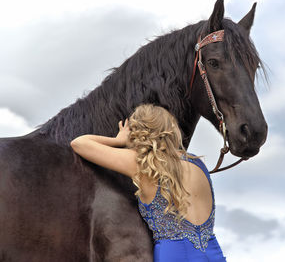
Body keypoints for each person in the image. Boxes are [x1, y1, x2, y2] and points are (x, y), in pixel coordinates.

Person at [70, 104, 227, 262]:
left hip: (175, 255)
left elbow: (79, 143)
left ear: (138, 132)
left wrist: (118, 140)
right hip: (213, 254)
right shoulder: (198, 164)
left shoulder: (143, 164)